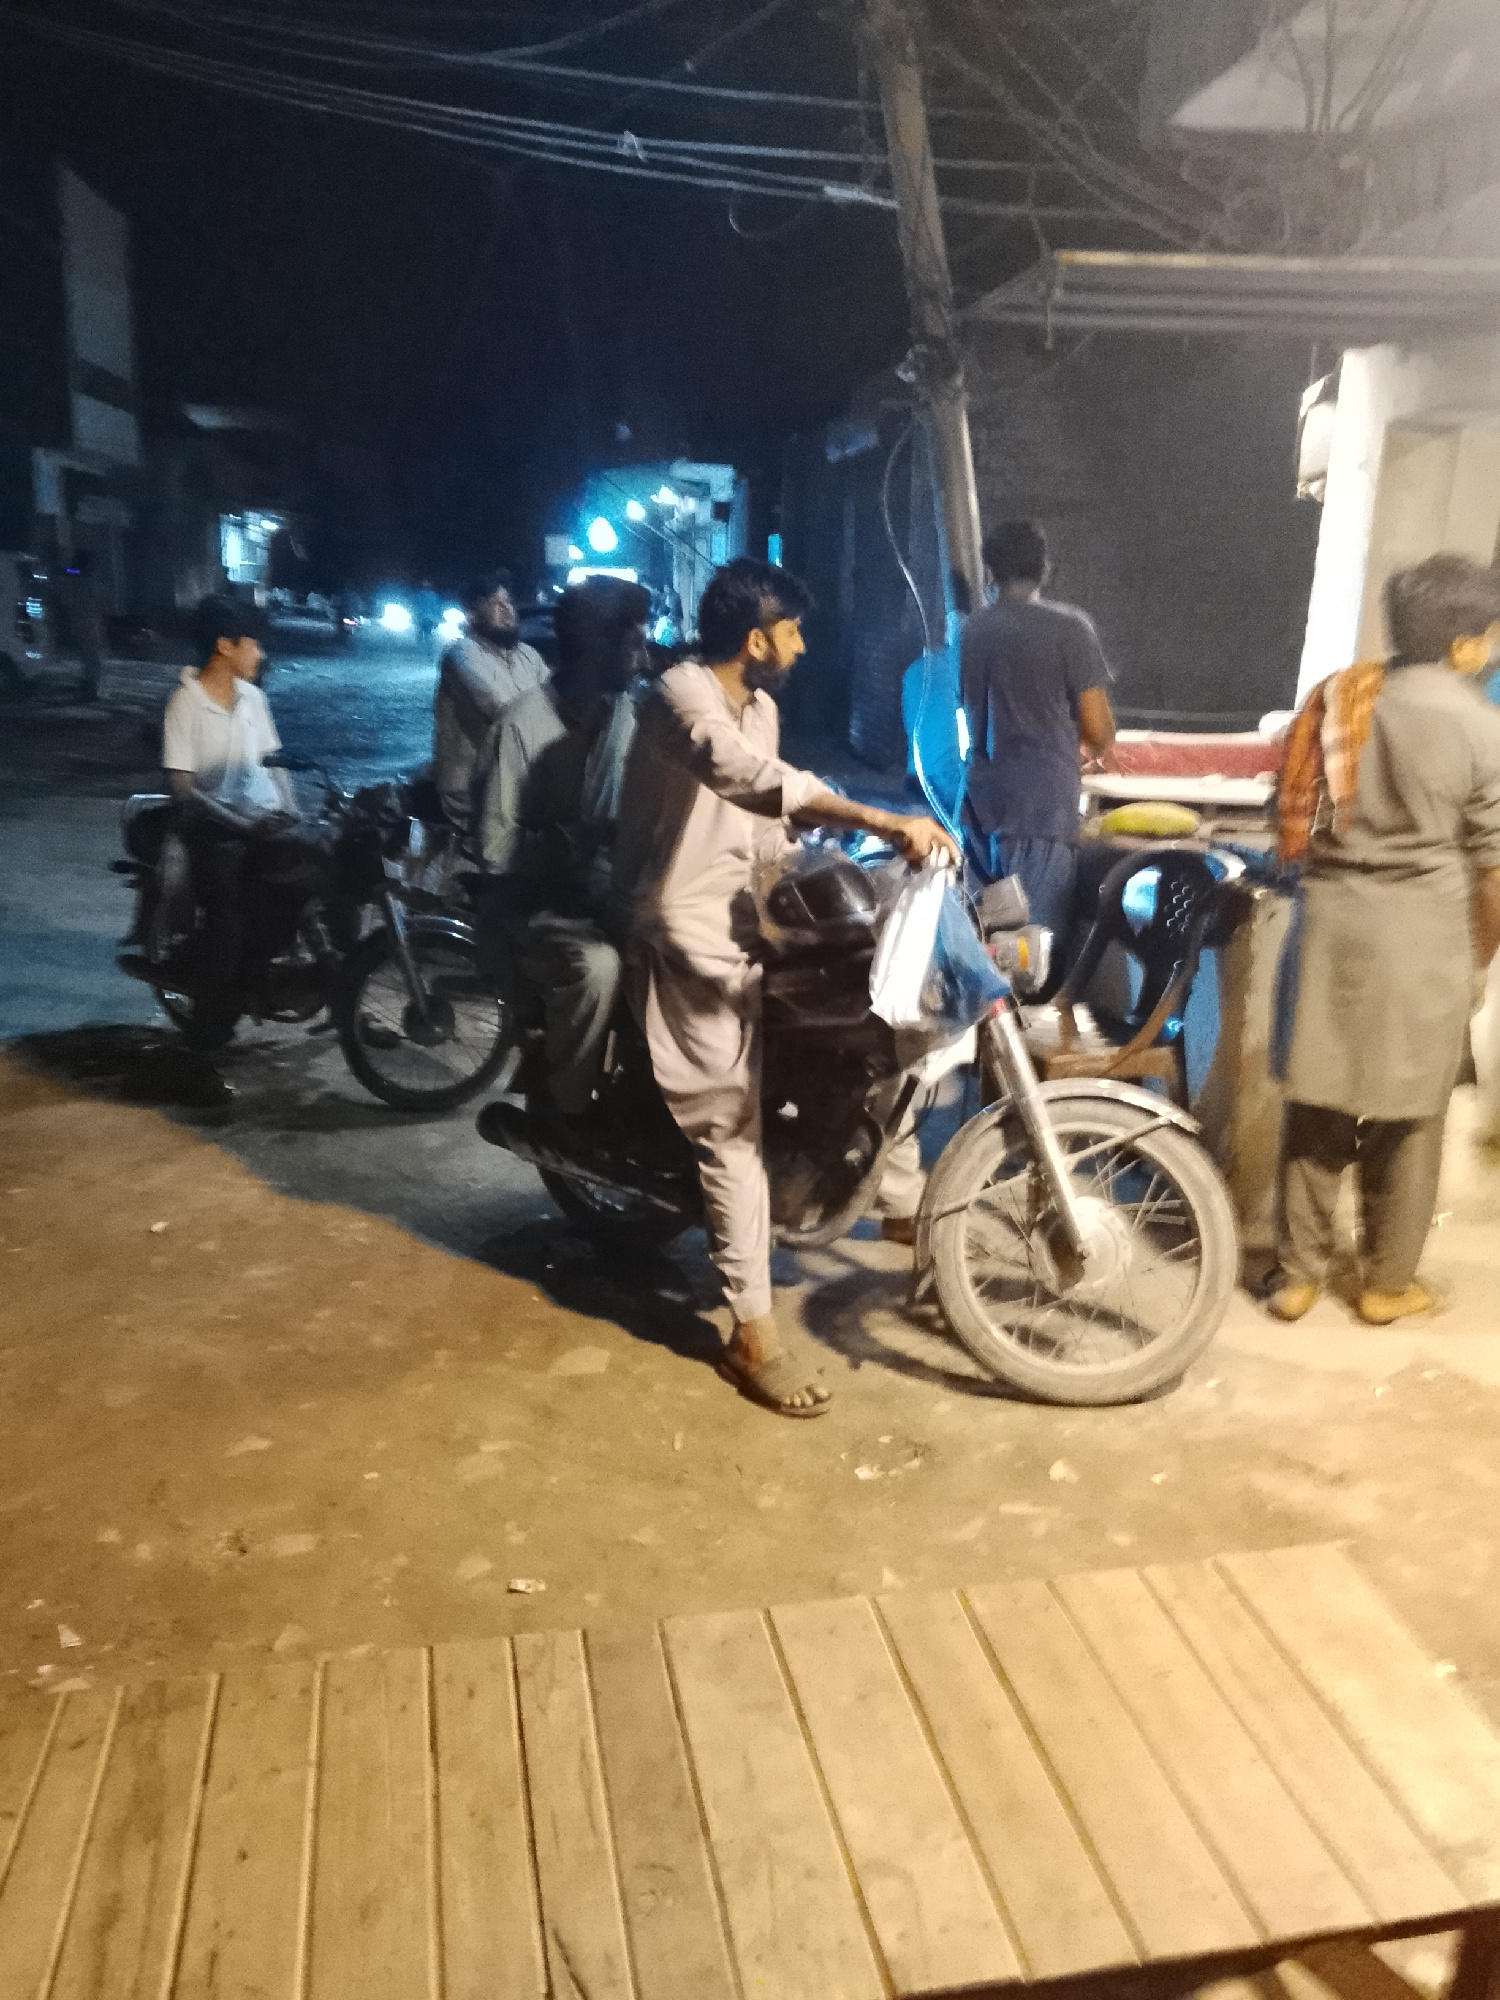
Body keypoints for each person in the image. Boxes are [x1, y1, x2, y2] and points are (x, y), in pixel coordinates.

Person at [612, 558, 958, 1419]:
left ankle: (893, 1200)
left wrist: (850, 859)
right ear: (755, 640)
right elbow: (744, 777)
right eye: (792, 632)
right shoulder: (678, 696)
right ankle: (752, 1333)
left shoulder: (762, 709)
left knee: (877, 1030)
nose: (801, 648)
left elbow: (769, 830)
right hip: (683, 926)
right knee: (732, 1127)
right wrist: (877, 816)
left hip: (751, 916)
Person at [1269, 553, 1500, 1327]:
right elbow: (1494, 874)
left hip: (1329, 933)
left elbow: (1290, 806)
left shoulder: (1338, 700)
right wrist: (1480, 957)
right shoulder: (1483, 727)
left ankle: (1296, 1276)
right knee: (1410, 1119)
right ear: (1464, 645)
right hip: (1425, 943)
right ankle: (1385, 1283)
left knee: (1317, 1105)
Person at [474, 577, 649, 1122]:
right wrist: (574, 841)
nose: (643, 660)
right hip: (536, 911)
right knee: (598, 970)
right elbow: (495, 850)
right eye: (633, 645)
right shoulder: (521, 727)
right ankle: (569, 1116)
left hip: (610, 898)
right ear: (598, 649)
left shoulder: (627, 716)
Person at [960, 520, 1115, 942]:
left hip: (980, 808)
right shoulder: (1070, 629)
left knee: (984, 944)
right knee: (1031, 951)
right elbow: (1099, 731)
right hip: (1041, 810)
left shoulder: (972, 630)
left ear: (990, 571)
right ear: (1045, 568)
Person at [162, 595, 296, 1057]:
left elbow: (274, 763)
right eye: (253, 644)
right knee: (230, 922)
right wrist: (237, 822)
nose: (261, 654)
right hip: (213, 831)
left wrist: (292, 811)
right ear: (225, 645)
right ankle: (206, 1033)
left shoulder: (254, 699)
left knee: (308, 890)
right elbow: (183, 786)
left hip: (264, 822)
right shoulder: (185, 703)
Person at [431, 570, 548, 839]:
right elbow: (504, 710)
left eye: (509, 602)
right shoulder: (462, 654)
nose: (507, 610)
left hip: (519, 780)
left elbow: (558, 703)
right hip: (475, 790)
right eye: (496, 604)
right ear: (473, 613)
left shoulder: (528, 655)